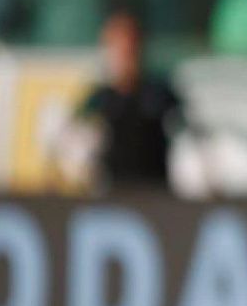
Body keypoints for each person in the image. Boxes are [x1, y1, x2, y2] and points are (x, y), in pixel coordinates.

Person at [71, 14, 183, 190]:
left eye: (131, 50)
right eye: (119, 51)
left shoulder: (161, 96)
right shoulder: (98, 101)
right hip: (110, 196)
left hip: (156, 195)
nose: (126, 59)